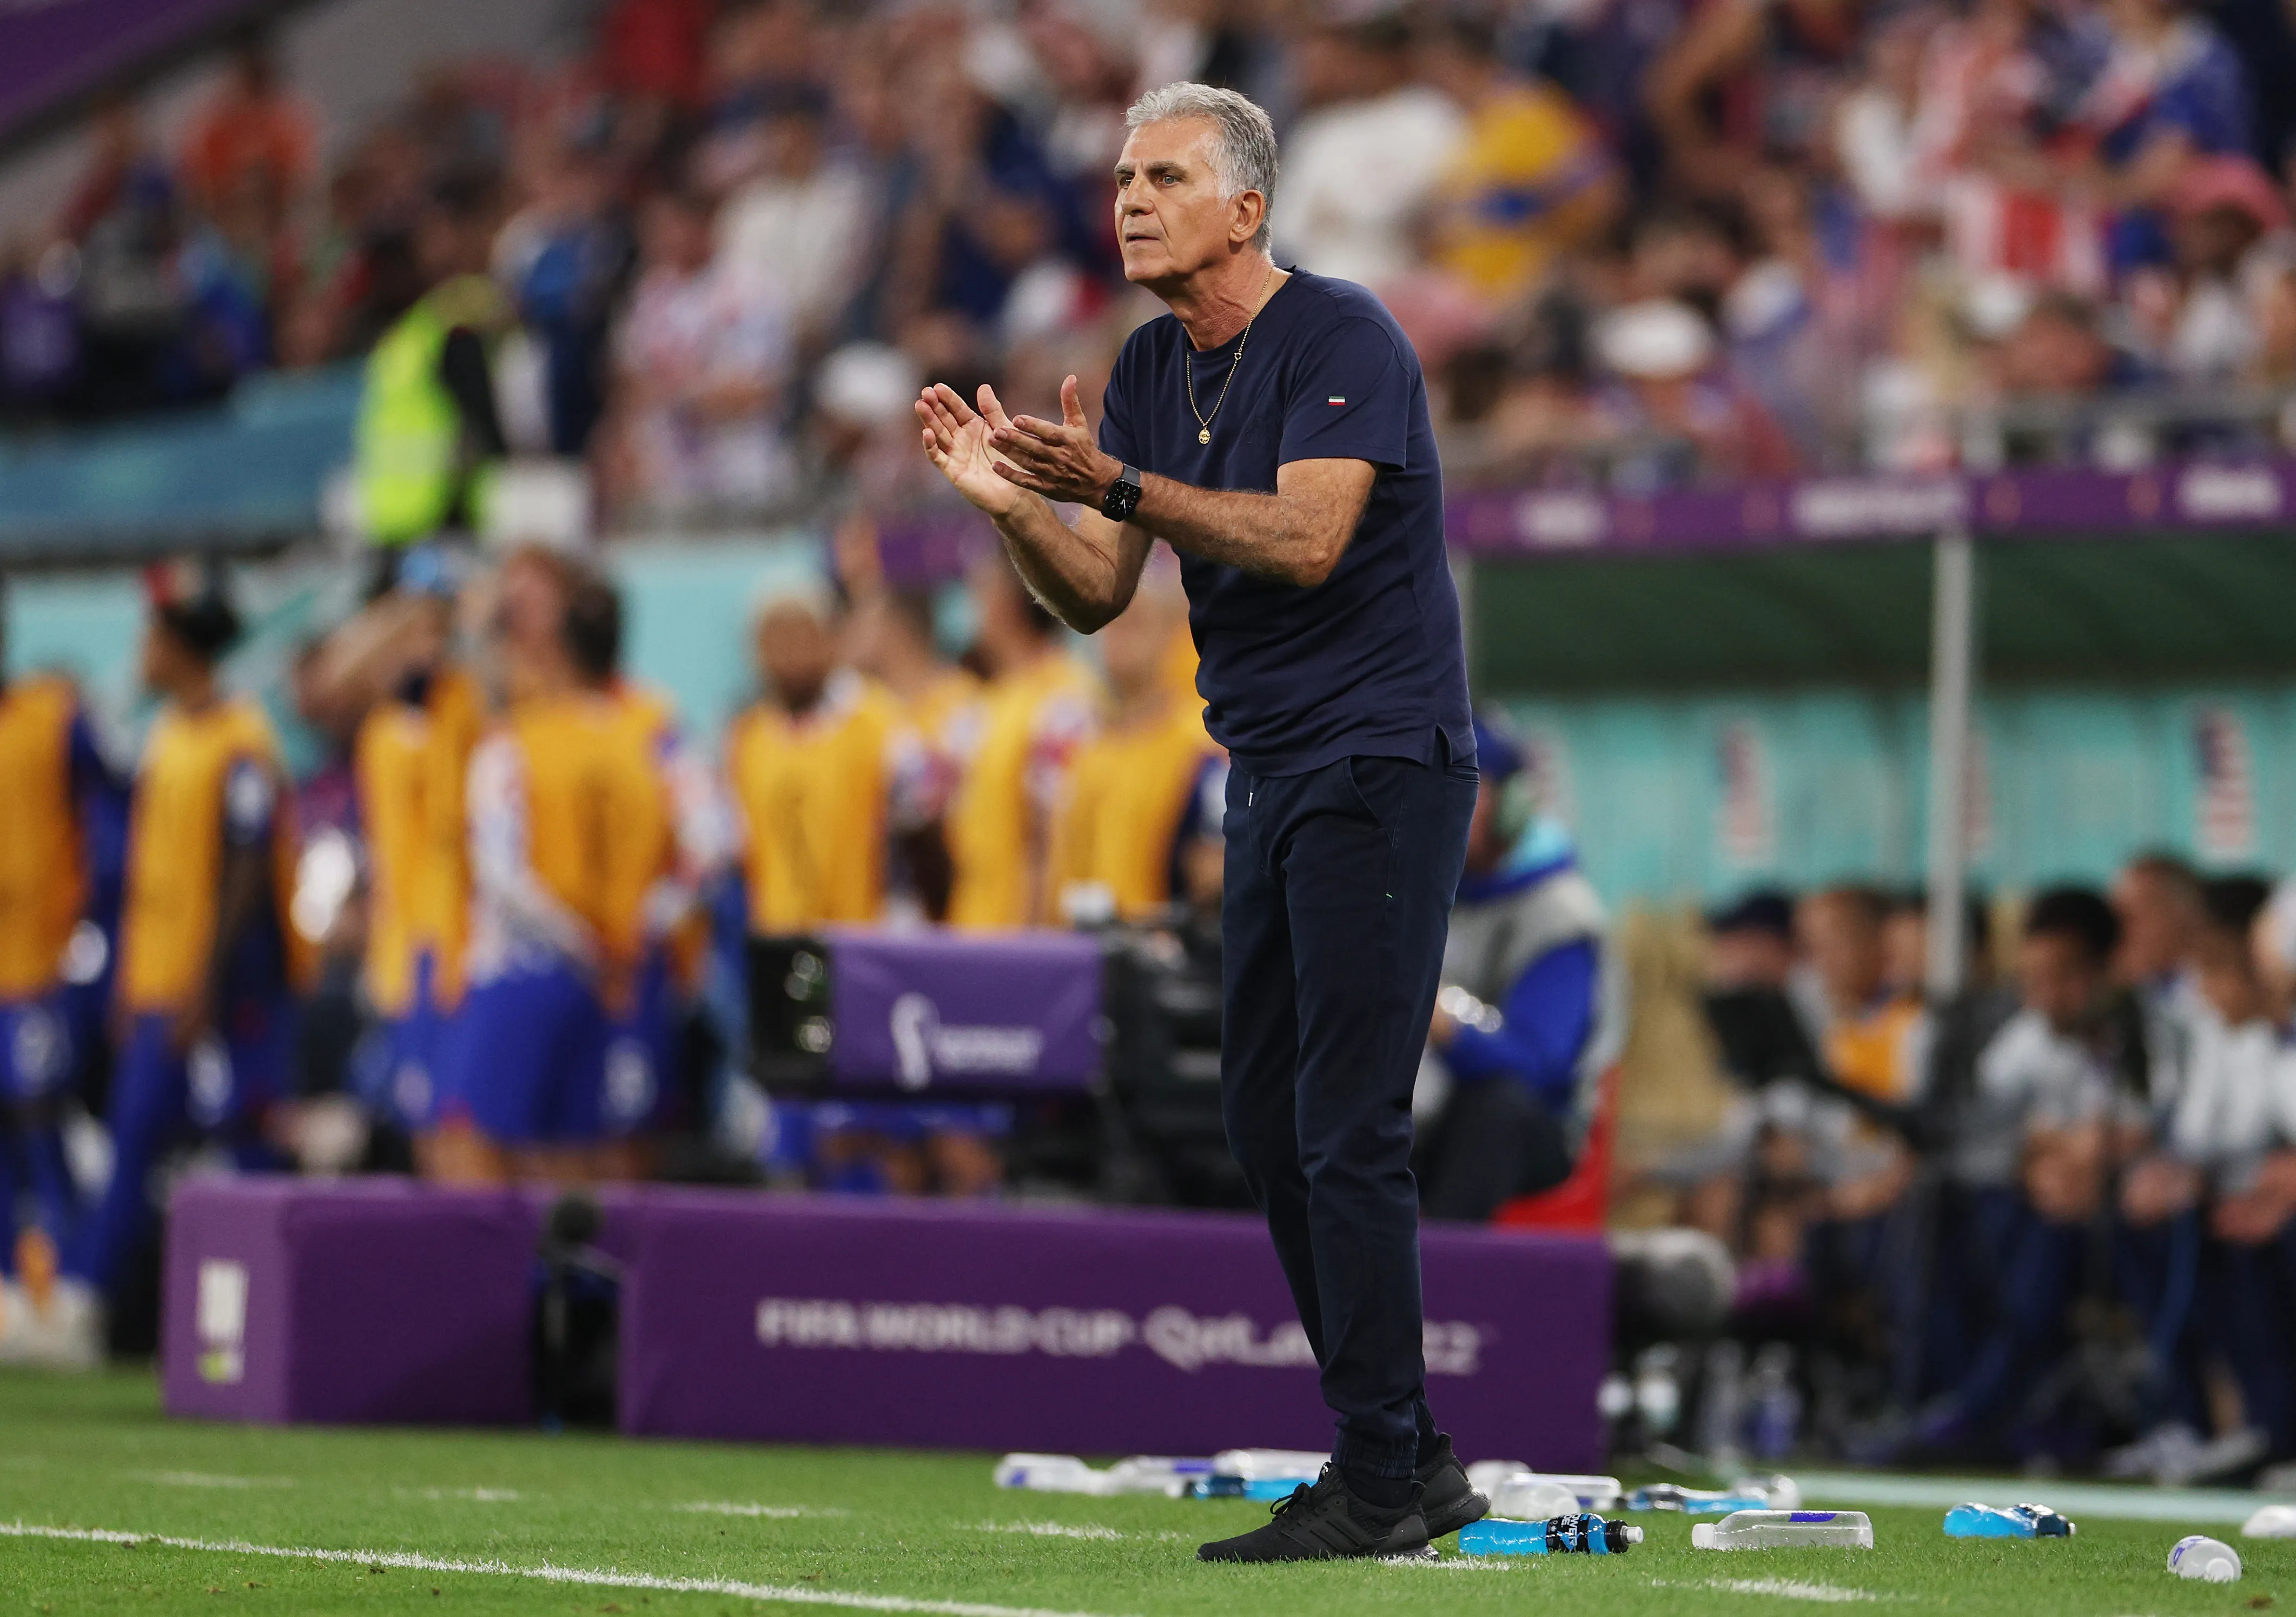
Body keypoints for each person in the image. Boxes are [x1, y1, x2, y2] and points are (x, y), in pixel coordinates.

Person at [915, 81, 1483, 1560]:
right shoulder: (1150, 367)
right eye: (1117, 176)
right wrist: (1009, 506)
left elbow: (1304, 537)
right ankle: (1407, 1453)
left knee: (1343, 1122)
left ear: (1247, 207)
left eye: (1162, 174)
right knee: (1261, 1119)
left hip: (1377, 759)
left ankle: (1378, 1470)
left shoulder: (1343, 333)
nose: (1126, 198)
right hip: (1272, 770)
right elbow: (1102, 589)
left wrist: (1109, 478)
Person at [48, 565, 306, 1366]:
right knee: (135, 1140)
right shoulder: (171, 731)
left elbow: (246, 864)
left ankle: (279, 1316)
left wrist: (206, 982)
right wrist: (133, 981)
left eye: (151, 634)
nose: (139, 649)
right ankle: (85, 1305)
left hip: (224, 990)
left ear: (179, 646)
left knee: (245, 1143)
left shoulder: (241, 737)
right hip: (157, 982)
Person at [444, 554, 676, 1184]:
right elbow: (698, 853)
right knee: (584, 1152)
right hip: (610, 960)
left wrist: (595, 938)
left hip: (535, 962)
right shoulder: (643, 726)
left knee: (484, 1147)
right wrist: (635, 930)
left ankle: (514, 1281)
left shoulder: (526, 735)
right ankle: (571, 1280)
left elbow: (503, 873)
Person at [1415, 714, 1621, 1222]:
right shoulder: (1423, 884)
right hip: (1422, 1102)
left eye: (1465, 787)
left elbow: (1539, 1065)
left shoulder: (1559, 915)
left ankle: (1439, 1283)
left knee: (1497, 1110)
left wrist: (1444, 1026)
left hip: (1530, 1124)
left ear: (1512, 805)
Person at [0, 593, 121, 1361]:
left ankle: (72, 1298)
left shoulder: (54, 714)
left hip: (43, 964)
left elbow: (111, 811)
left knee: (40, 1114)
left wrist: (93, 919)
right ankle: (15, 1291)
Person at [341, 548, 485, 1166]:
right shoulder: (378, 723)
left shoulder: (465, 702)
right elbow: (331, 677)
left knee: (456, 1119)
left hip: (455, 943)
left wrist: (457, 619)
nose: (415, 643)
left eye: (431, 627)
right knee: (416, 1119)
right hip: (400, 947)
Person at [352, 176, 511, 591]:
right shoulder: (408, 335)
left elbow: (484, 425)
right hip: (396, 526)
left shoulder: (448, 331)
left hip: (443, 523)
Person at [725, 583, 900, 931]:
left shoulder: (874, 720)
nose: (789, 654)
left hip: (859, 935)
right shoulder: (749, 737)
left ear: (829, 640)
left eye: (802, 637)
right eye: (775, 641)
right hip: (778, 934)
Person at [1049, 575, 1221, 924]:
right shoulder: (1085, 744)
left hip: (1159, 952)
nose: (1119, 637)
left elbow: (1213, 872)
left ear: (1169, 635)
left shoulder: (1200, 745)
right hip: (1083, 950)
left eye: (1137, 623)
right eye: (1111, 624)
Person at [941, 557, 1097, 931]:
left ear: (1005, 600)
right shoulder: (994, 697)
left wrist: (1033, 944)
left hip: (1016, 934)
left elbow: (1048, 839)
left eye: (979, 590)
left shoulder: (1062, 697)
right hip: (975, 926)